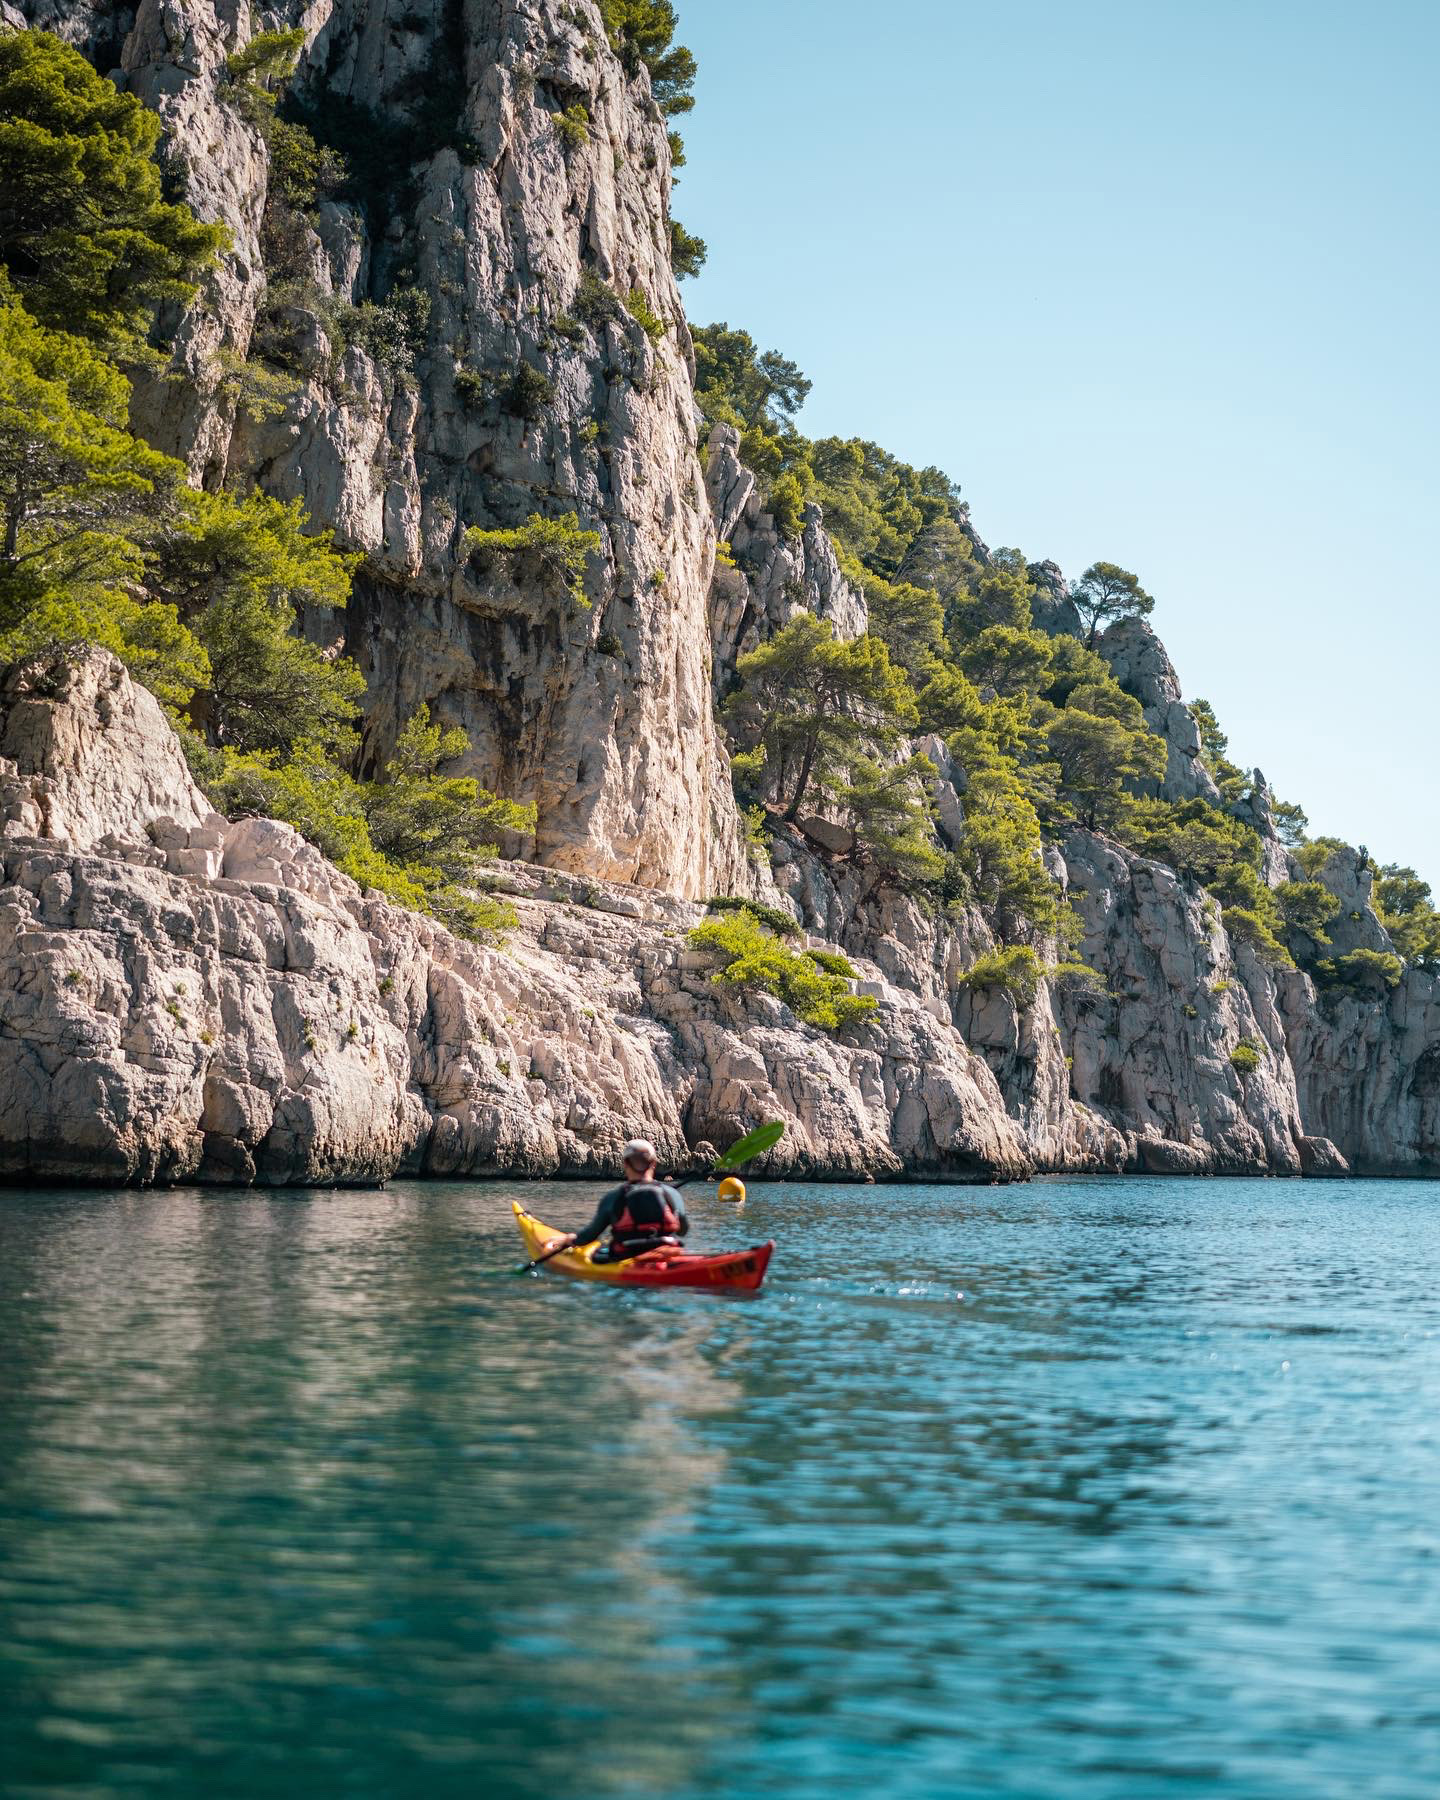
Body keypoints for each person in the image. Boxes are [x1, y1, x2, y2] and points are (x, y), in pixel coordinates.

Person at [544, 1138, 690, 1263]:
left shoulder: (614, 1197)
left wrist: (569, 1239)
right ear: (654, 1163)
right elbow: (682, 1231)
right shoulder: (671, 1194)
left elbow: (589, 1237)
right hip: (667, 1255)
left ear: (625, 1164)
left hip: (627, 1256)